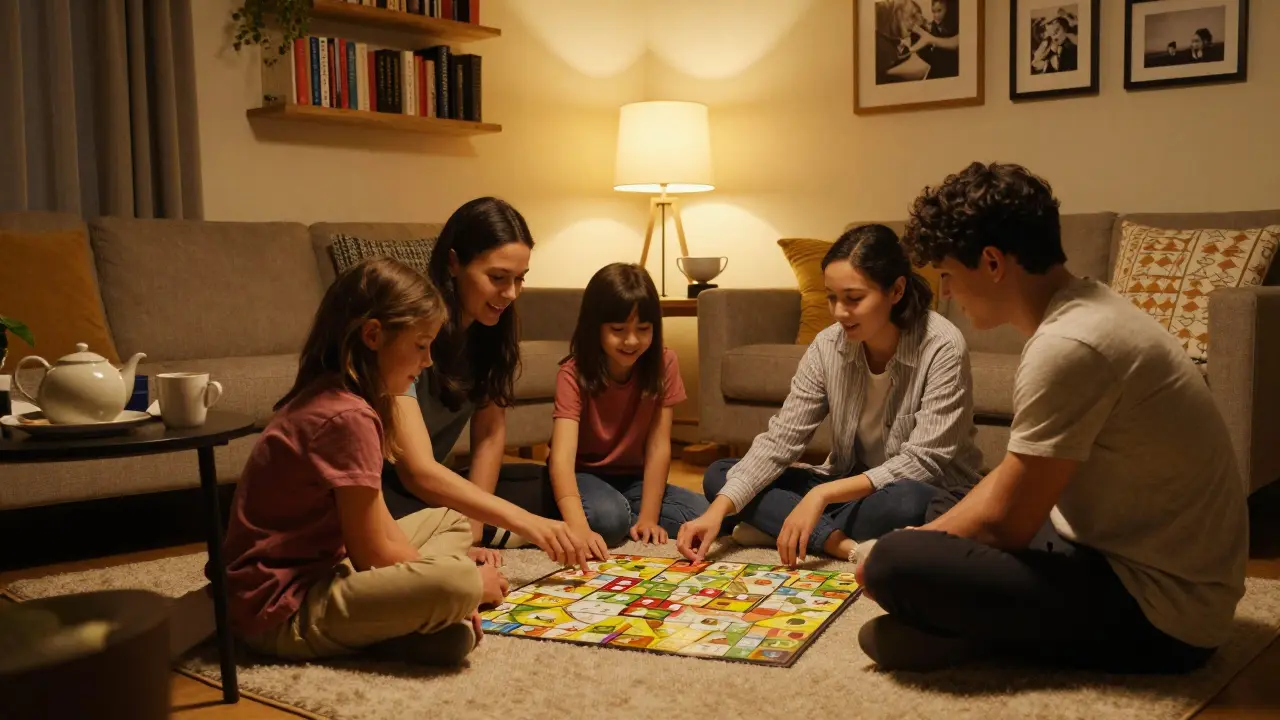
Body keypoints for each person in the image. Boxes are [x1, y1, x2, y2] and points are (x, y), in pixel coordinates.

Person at [856, 162, 1248, 675]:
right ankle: (974, 630)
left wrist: (898, 550)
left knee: (893, 563)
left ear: (993, 263)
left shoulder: (1069, 344)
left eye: (949, 273)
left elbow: (1005, 523)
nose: (946, 292)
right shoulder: (1088, 307)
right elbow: (1018, 476)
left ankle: (979, 634)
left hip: (1165, 613)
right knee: (939, 506)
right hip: (1107, 545)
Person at [219, 257, 508, 665]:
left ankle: (398, 625)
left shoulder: (343, 396)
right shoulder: (346, 417)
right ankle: (407, 620)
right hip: (282, 611)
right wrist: (468, 588)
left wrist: (420, 579)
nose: (427, 362)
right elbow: (371, 551)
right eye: (421, 346)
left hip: (323, 571)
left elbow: (379, 522)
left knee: (450, 519)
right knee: (459, 580)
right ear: (373, 335)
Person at [676, 224, 984, 568]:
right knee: (721, 474)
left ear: (896, 290)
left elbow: (922, 463)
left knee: (908, 503)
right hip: (846, 484)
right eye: (831, 297)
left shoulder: (942, 346)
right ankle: (839, 544)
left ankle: (782, 525)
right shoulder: (827, 345)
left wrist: (821, 497)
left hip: (921, 488)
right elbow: (781, 440)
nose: (838, 312)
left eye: (853, 299)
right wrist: (716, 513)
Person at [380, 197, 592, 568]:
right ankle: (459, 533)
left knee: (585, 507)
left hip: (437, 485)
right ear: (453, 263)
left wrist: (475, 528)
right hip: (385, 487)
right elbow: (416, 472)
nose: (510, 294)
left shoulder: (491, 333)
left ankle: (472, 530)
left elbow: (491, 434)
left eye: (519, 279)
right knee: (432, 521)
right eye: (497, 278)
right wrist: (521, 522)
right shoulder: (408, 333)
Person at [545, 263, 710, 557]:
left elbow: (659, 445)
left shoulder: (665, 363)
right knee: (609, 522)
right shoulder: (573, 372)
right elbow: (561, 458)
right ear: (594, 327)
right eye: (618, 330)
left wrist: (648, 516)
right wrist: (579, 528)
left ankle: (623, 509)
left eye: (643, 329)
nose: (632, 341)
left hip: (634, 478)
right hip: (583, 474)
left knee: (704, 515)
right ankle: (600, 510)